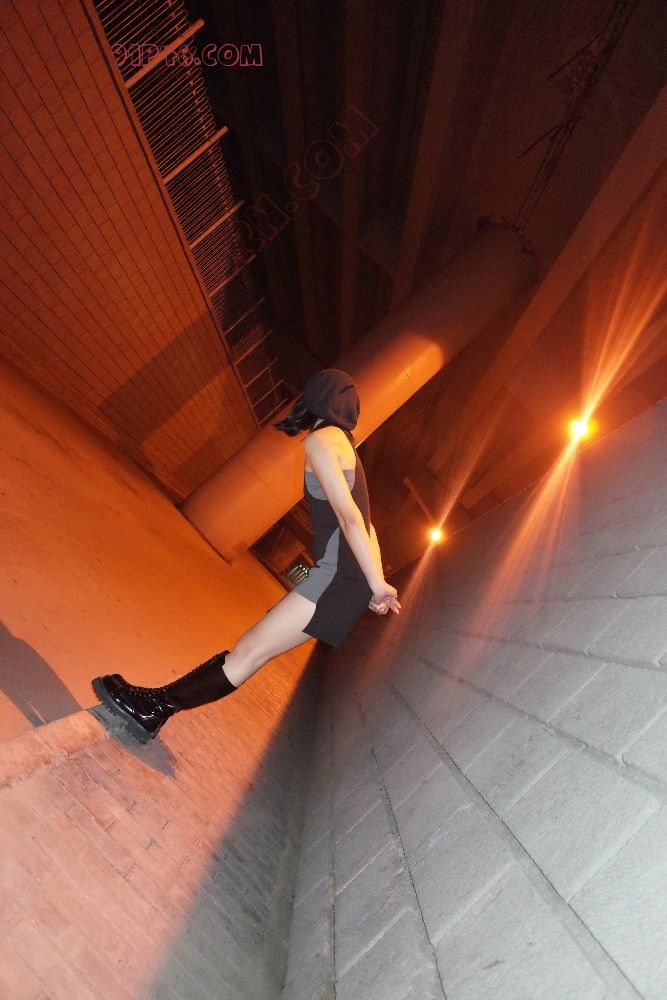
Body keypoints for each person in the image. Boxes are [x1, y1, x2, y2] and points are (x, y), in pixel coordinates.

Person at [91, 368, 400, 742]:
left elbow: (352, 520)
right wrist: (372, 583)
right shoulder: (348, 446)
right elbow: (369, 526)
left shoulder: (322, 440)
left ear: (317, 397)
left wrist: (375, 584)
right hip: (345, 579)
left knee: (251, 650)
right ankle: (156, 706)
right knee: (255, 650)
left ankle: (153, 708)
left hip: (335, 577)